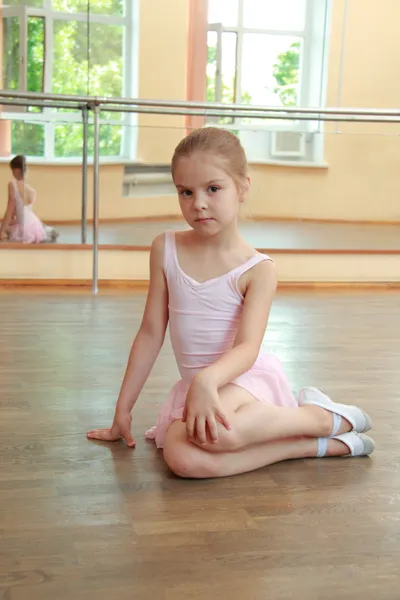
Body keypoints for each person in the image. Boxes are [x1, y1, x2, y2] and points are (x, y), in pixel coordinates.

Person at [87, 127, 375, 479]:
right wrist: (124, 408)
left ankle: (318, 418)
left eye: (213, 188)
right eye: (186, 192)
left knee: (219, 434)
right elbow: (150, 333)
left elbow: (248, 348)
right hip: (202, 387)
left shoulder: (259, 269)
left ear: (243, 187)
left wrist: (208, 381)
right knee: (182, 459)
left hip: (243, 381)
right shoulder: (165, 249)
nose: (199, 203)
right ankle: (313, 444)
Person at [0, 155, 58, 243]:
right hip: (34, 224)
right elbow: (23, 213)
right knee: (11, 225)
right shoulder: (32, 191)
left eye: (12, 170)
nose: (12, 173)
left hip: (25, 229)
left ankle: (49, 230)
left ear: (17, 170)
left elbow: (10, 210)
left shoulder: (13, 184)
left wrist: (2, 230)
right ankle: (48, 230)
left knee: (8, 229)